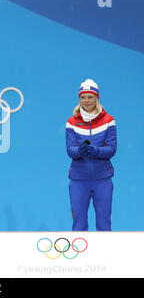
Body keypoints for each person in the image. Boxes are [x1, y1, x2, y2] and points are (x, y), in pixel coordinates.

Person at [65, 79, 117, 231]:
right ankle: (81, 255)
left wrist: (97, 151)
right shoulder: (71, 122)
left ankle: (105, 255)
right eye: (83, 97)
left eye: (90, 97)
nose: (86, 101)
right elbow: (70, 151)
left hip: (103, 180)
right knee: (79, 224)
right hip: (78, 180)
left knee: (104, 224)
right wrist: (81, 151)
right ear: (79, 99)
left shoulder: (109, 121)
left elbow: (112, 149)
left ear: (97, 98)